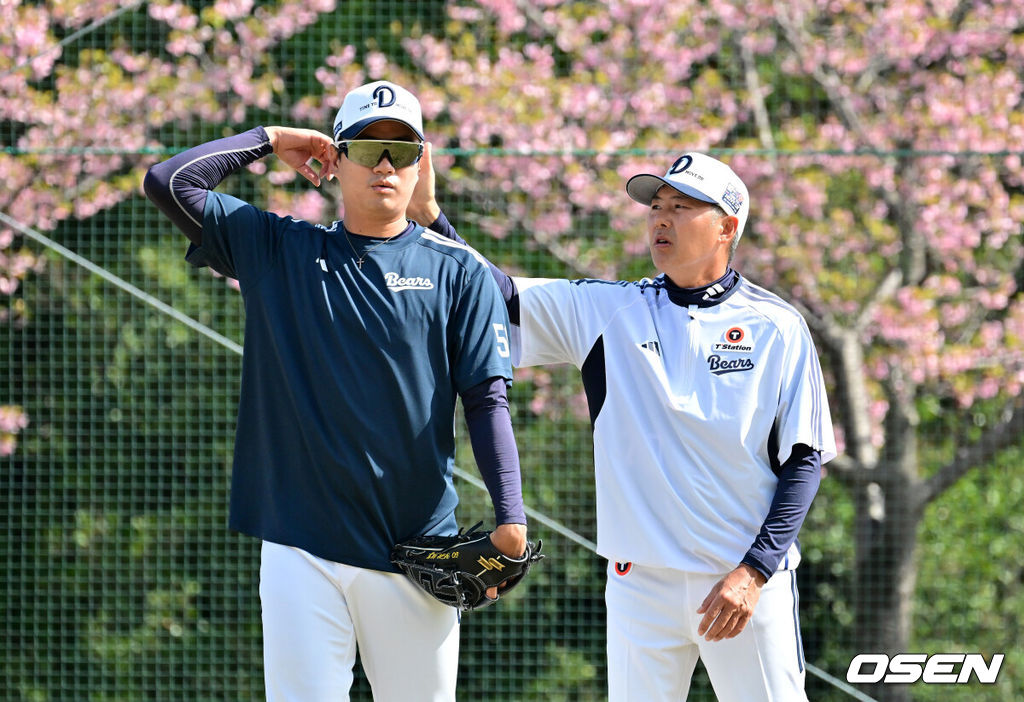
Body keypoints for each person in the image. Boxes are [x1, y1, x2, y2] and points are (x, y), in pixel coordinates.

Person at [143, 80, 529, 702]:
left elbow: (487, 401)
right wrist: (272, 139)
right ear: (336, 158)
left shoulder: (459, 269)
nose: (384, 163)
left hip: (416, 550)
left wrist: (511, 518)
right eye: (367, 147)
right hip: (302, 546)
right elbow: (170, 182)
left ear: (421, 163)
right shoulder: (281, 250)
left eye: (402, 150)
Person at [409, 148, 837, 701]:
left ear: (727, 226)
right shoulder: (611, 310)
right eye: (657, 205)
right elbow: (502, 295)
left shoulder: (778, 326)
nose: (662, 218)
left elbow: (804, 461)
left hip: (742, 584)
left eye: (683, 207)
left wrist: (754, 572)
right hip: (640, 585)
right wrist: (430, 218)